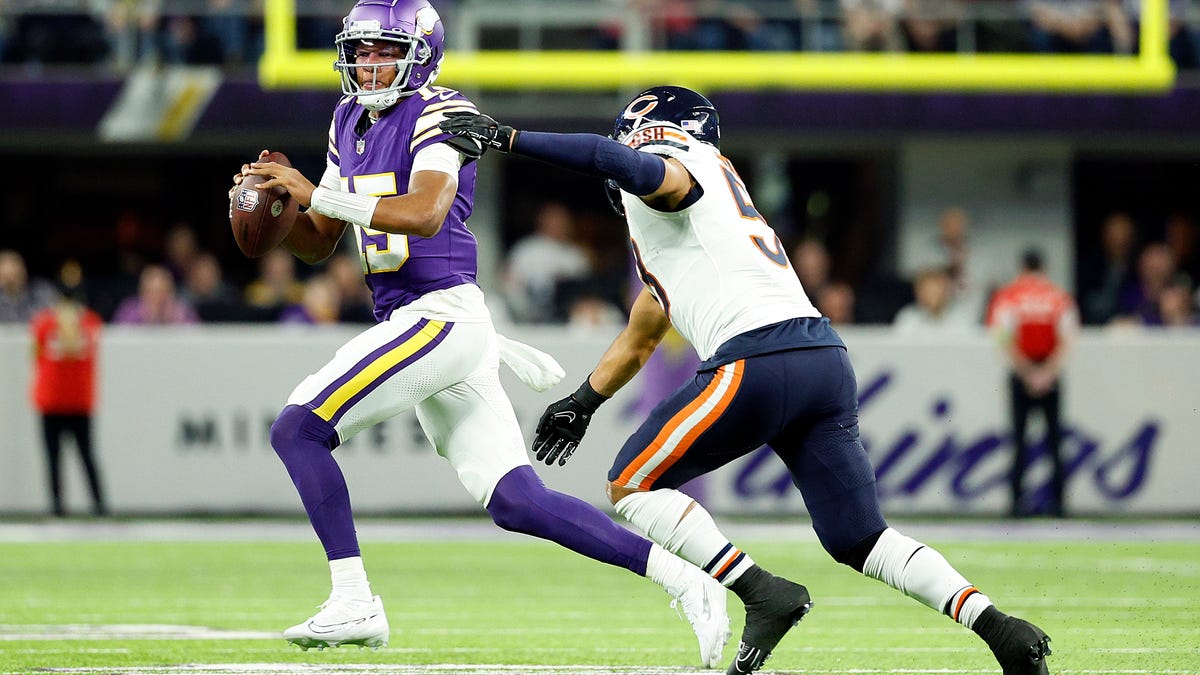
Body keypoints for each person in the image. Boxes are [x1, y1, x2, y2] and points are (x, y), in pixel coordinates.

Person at [440, 85, 1054, 675]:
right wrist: (583, 401)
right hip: (821, 358)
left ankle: (762, 594)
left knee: (631, 484)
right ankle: (1002, 630)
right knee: (860, 537)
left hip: (758, 358)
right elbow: (644, 330)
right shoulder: (705, 223)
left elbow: (640, 170)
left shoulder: (681, 164)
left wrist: (508, 137)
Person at [230, 1, 729, 664]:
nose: (368, 62)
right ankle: (686, 578)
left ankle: (354, 599)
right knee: (520, 502)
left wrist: (314, 193)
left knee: (297, 427)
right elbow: (320, 243)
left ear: (420, 52)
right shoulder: (347, 117)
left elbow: (427, 212)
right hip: (423, 321)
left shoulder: (440, 112)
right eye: (361, 49)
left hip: (437, 315)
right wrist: (280, 204)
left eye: (383, 49)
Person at [985, 249, 1079, 519]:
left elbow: (1002, 338)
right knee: (1054, 440)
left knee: (1018, 440)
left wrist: (1026, 373)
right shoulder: (1058, 297)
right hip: (1049, 372)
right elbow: (1068, 339)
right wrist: (1047, 373)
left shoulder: (1009, 297)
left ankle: (1016, 503)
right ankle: (1059, 504)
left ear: (1022, 267)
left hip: (1021, 373)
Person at [29, 283, 107, 517]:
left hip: (78, 402)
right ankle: (57, 506)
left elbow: (75, 347)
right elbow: (38, 354)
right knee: (54, 458)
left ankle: (99, 504)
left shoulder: (89, 322)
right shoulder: (44, 323)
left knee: (86, 455)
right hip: (52, 401)